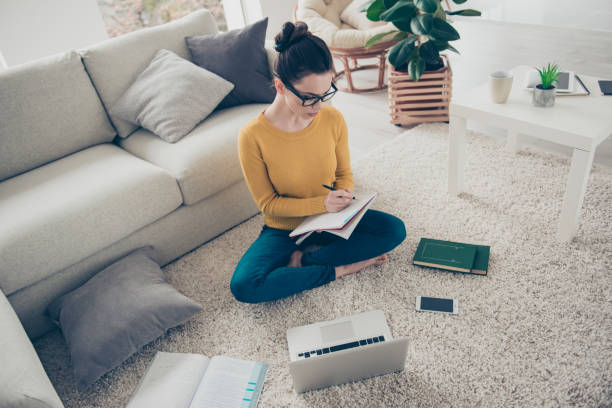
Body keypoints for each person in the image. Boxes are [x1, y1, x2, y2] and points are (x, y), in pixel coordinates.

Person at [230, 21, 406, 303]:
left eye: (325, 94)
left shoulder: (332, 119)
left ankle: (307, 261)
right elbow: (269, 205)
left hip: (333, 218)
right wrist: (319, 205)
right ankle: (338, 268)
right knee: (245, 286)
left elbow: (343, 173)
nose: (318, 107)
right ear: (280, 86)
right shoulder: (252, 136)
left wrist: (344, 195)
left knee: (394, 230)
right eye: (309, 98)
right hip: (284, 229)